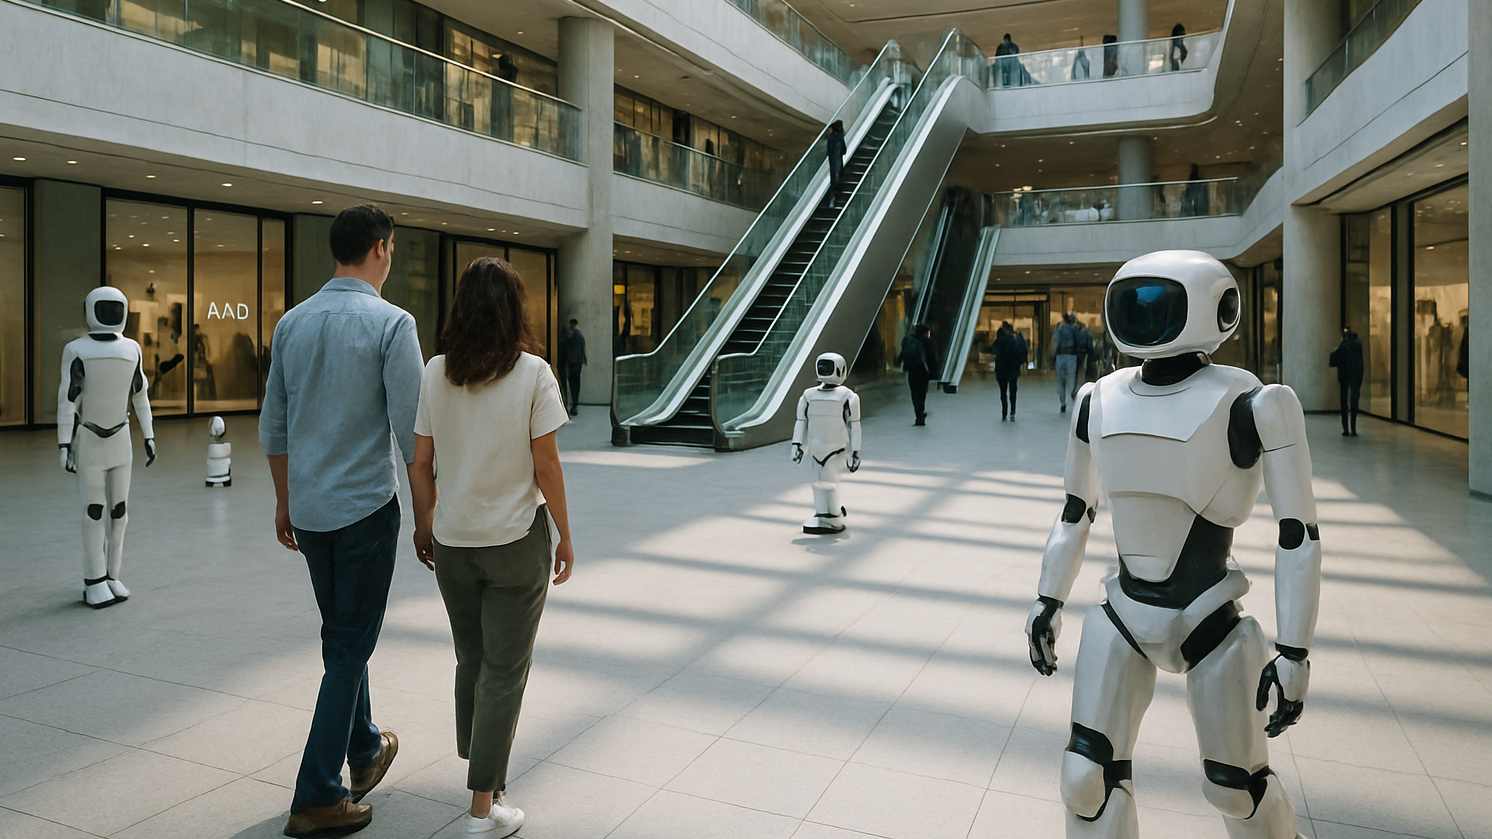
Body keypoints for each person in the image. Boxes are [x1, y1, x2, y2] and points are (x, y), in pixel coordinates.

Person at [1025, 250, 1321, 839]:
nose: (1142, 314)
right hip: (1123, 615)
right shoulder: (1097, 398)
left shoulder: (1255, 404)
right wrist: (1048, 599)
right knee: (1085, 778)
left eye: (1156, 300)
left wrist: (1294, 652)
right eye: (1133, 300)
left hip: (1210, 620)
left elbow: (1299, 532)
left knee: (1235, 788)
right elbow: (1075, 511)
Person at [260, 205, 423, 839]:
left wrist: (283, 500)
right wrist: (427, 512)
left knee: (341, 637)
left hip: (311, 510)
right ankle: (317, 794)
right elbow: (412, 435)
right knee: (351, 646)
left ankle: (363, 746)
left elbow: (273, 426)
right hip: (364, 508)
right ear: (380, 249)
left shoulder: (293, 323)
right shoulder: (392, 323)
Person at [409, 257, 574, 838]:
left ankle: (483, 775)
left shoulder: (435, 372)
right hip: (514, 541)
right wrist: (566, 535)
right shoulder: (533, 373)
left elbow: (421, 462)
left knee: (472, 662)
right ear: (514, 309)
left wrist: (424, 522)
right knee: (505, 671)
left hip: (453, 542)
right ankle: (482, 810)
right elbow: (546, 463)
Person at [56, 286, 157, 609]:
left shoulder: (132, 349)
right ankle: (94, 579)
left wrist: (149, 435)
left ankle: (113, 574)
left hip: (120, 438)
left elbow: (140, 394)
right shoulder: (76, 350)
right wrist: (64, 442)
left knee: (119, 511)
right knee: (94, 510)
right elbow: (68, 398)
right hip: (91, 438)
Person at [790, 352, 863, 534]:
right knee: (820, 483)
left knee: (829, 483)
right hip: (816, 448)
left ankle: (832, 514)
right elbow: (801, 421)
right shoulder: (809, 395)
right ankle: (825, 514)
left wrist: (855, 451)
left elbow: (855, 426)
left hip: (835, 448)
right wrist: (796, 444)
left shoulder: (847, 396)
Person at [898, 323, 937, 426]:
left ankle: (918, 414)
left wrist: (898, 362)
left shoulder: (908, 340)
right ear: (925, 332)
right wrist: (934, 373)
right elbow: (932, 357)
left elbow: (902, 353)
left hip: (911, 370)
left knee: (914, 393)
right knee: (922, 393)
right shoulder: (927, 341)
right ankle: (920, 414)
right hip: (923, 371)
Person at [1330, 326, 1365, 437]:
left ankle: (1346, 429)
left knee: (1344, 403)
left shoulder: (1343, 345)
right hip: (1355, 377)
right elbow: (1360, 364)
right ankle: (1353, 429)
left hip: (1344, 377)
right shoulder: (1357, 345)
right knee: (1354, 402)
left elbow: (1334, 360)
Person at [993, 321, 1027, 422]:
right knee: (1013, 391)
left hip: (1001, 369)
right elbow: (1023, 351)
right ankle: (1012, 411)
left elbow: (993, 350)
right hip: (1013, 369)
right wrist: (1022, 362)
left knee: (1003, 392)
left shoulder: (999, 339)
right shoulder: (1016, 339)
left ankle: (1004, 412)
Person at [1052, 312, 1081, 413]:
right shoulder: (1074, 329)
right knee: (1071, 379)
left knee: (1060, 381)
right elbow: (1078, 342)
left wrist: (1052, 356)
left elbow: (1055, 343)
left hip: (1060, 356)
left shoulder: (1059, 329)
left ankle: (1063, 403)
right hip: (1071, 356)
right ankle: (1074, 397)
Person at [559, 318, 587, 416]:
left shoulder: (569, 336)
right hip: (576, 364)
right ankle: (574, 405)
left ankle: (572, 405)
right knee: (575, 385)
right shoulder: (579, 335)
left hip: (571, 364)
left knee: (572, 384)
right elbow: (582, 349)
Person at [825, 120, 847, 209]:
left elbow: (828, 152)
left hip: (833, 163)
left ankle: (832, 200)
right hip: (838, 162)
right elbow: (844, 150)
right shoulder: (840, 138)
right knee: (838, 179)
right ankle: (835, 198)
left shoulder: (830, 138)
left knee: (834, 180)